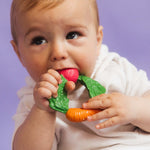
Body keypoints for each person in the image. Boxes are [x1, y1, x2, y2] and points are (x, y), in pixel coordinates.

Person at [11, 0, 150, 149]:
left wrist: (134, 108)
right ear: (19, 54)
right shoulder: (35, 101)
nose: (58, 52)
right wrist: (42, 111)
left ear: (97, 40)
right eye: (39, 40)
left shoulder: (115, 69)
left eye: (72, 35)